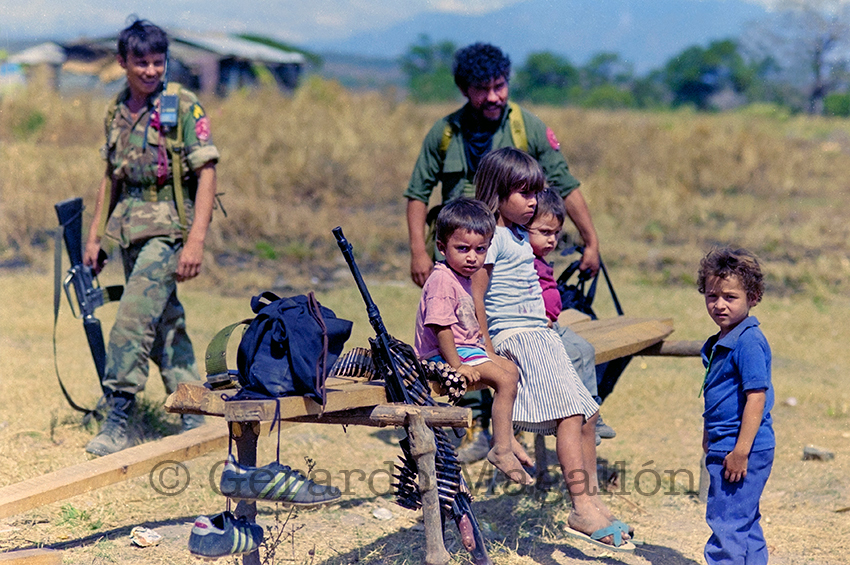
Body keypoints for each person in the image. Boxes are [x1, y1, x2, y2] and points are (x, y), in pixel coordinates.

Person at [404, 42, 602, 460]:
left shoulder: (526, 127)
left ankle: (518, 422)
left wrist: (591, 239)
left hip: (505, 258)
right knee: (458, 329)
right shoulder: (444, 133)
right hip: (462, 254)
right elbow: (417, 193)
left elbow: (565, 184)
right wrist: (419, 253)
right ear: (465, 90)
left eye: (499, 86)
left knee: (493, 334)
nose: (493, 97)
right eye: (482, 89)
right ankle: (473, 427)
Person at [472, 147, 632, 552]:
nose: (532, 202)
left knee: (589, 414)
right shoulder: (491, 238)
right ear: (497, 192)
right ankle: (579, 506)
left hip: (540, 333)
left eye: (535, 193)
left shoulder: (520, 234)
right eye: (524, 194)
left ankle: (592, 499)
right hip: (517, 337)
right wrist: (487, 348)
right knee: (569, 415)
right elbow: (477, 295)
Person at [82, 19, 220, 457]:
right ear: (122, 63)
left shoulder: (182, 105)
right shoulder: (117, 109)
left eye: (158, 62)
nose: (150, 70)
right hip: (128, 230)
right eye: (140, 62)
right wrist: (96, 236)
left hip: (167, 231)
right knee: (164, 320)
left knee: (133, 318)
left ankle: (119, 416)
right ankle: (197, 413)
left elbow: (207, 174)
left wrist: (195, 240)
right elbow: (111, 176)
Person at [413, 198, 533, 485]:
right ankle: (501, 449)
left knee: (512, 370)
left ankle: (505, 438)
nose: (472, 257)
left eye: (481, 250)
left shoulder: (463, 275)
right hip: (440, 356)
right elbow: (440, 326)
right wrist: (456, 366)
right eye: (463, 249)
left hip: (464, 349)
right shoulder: (442, 279)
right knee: (504, 380)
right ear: (442, 248)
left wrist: (487, 353)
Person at [697, 247, 774, 565]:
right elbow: (718, 395)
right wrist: (708, 434)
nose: (719, 304)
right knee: (744, 521)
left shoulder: (748, 341)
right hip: (726, 444)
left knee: (726, 522)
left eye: (730, 297)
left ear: (753, 296)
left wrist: (741, 450)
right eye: (712, 296)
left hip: (742, 448)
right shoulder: (722, 340)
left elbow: (756, 397)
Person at [526, 188, 616, 445]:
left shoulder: (540, 259)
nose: (552, 240)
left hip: (553, 324)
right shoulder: (519, 261)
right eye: (544, 232)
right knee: (573, 355)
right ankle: (573, 416)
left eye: (556, 233)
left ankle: (592, 412)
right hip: (536, 329)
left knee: (586, 349)